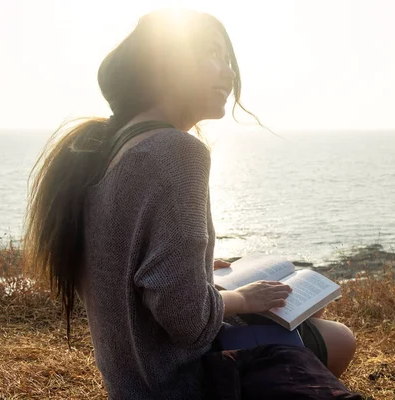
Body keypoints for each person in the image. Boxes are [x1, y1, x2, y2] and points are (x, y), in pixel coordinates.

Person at [24, 9, 355, 399]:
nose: (229, 73)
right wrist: (244, 298)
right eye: (212, 55)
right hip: (178, 381)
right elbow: (187, 321)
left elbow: (126, 263)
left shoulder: (108, 149)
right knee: (340, 337)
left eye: (228, 59)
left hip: (131, 381)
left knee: (307, 311)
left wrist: (195, 267)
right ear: (167, 66)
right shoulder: (176, 151)